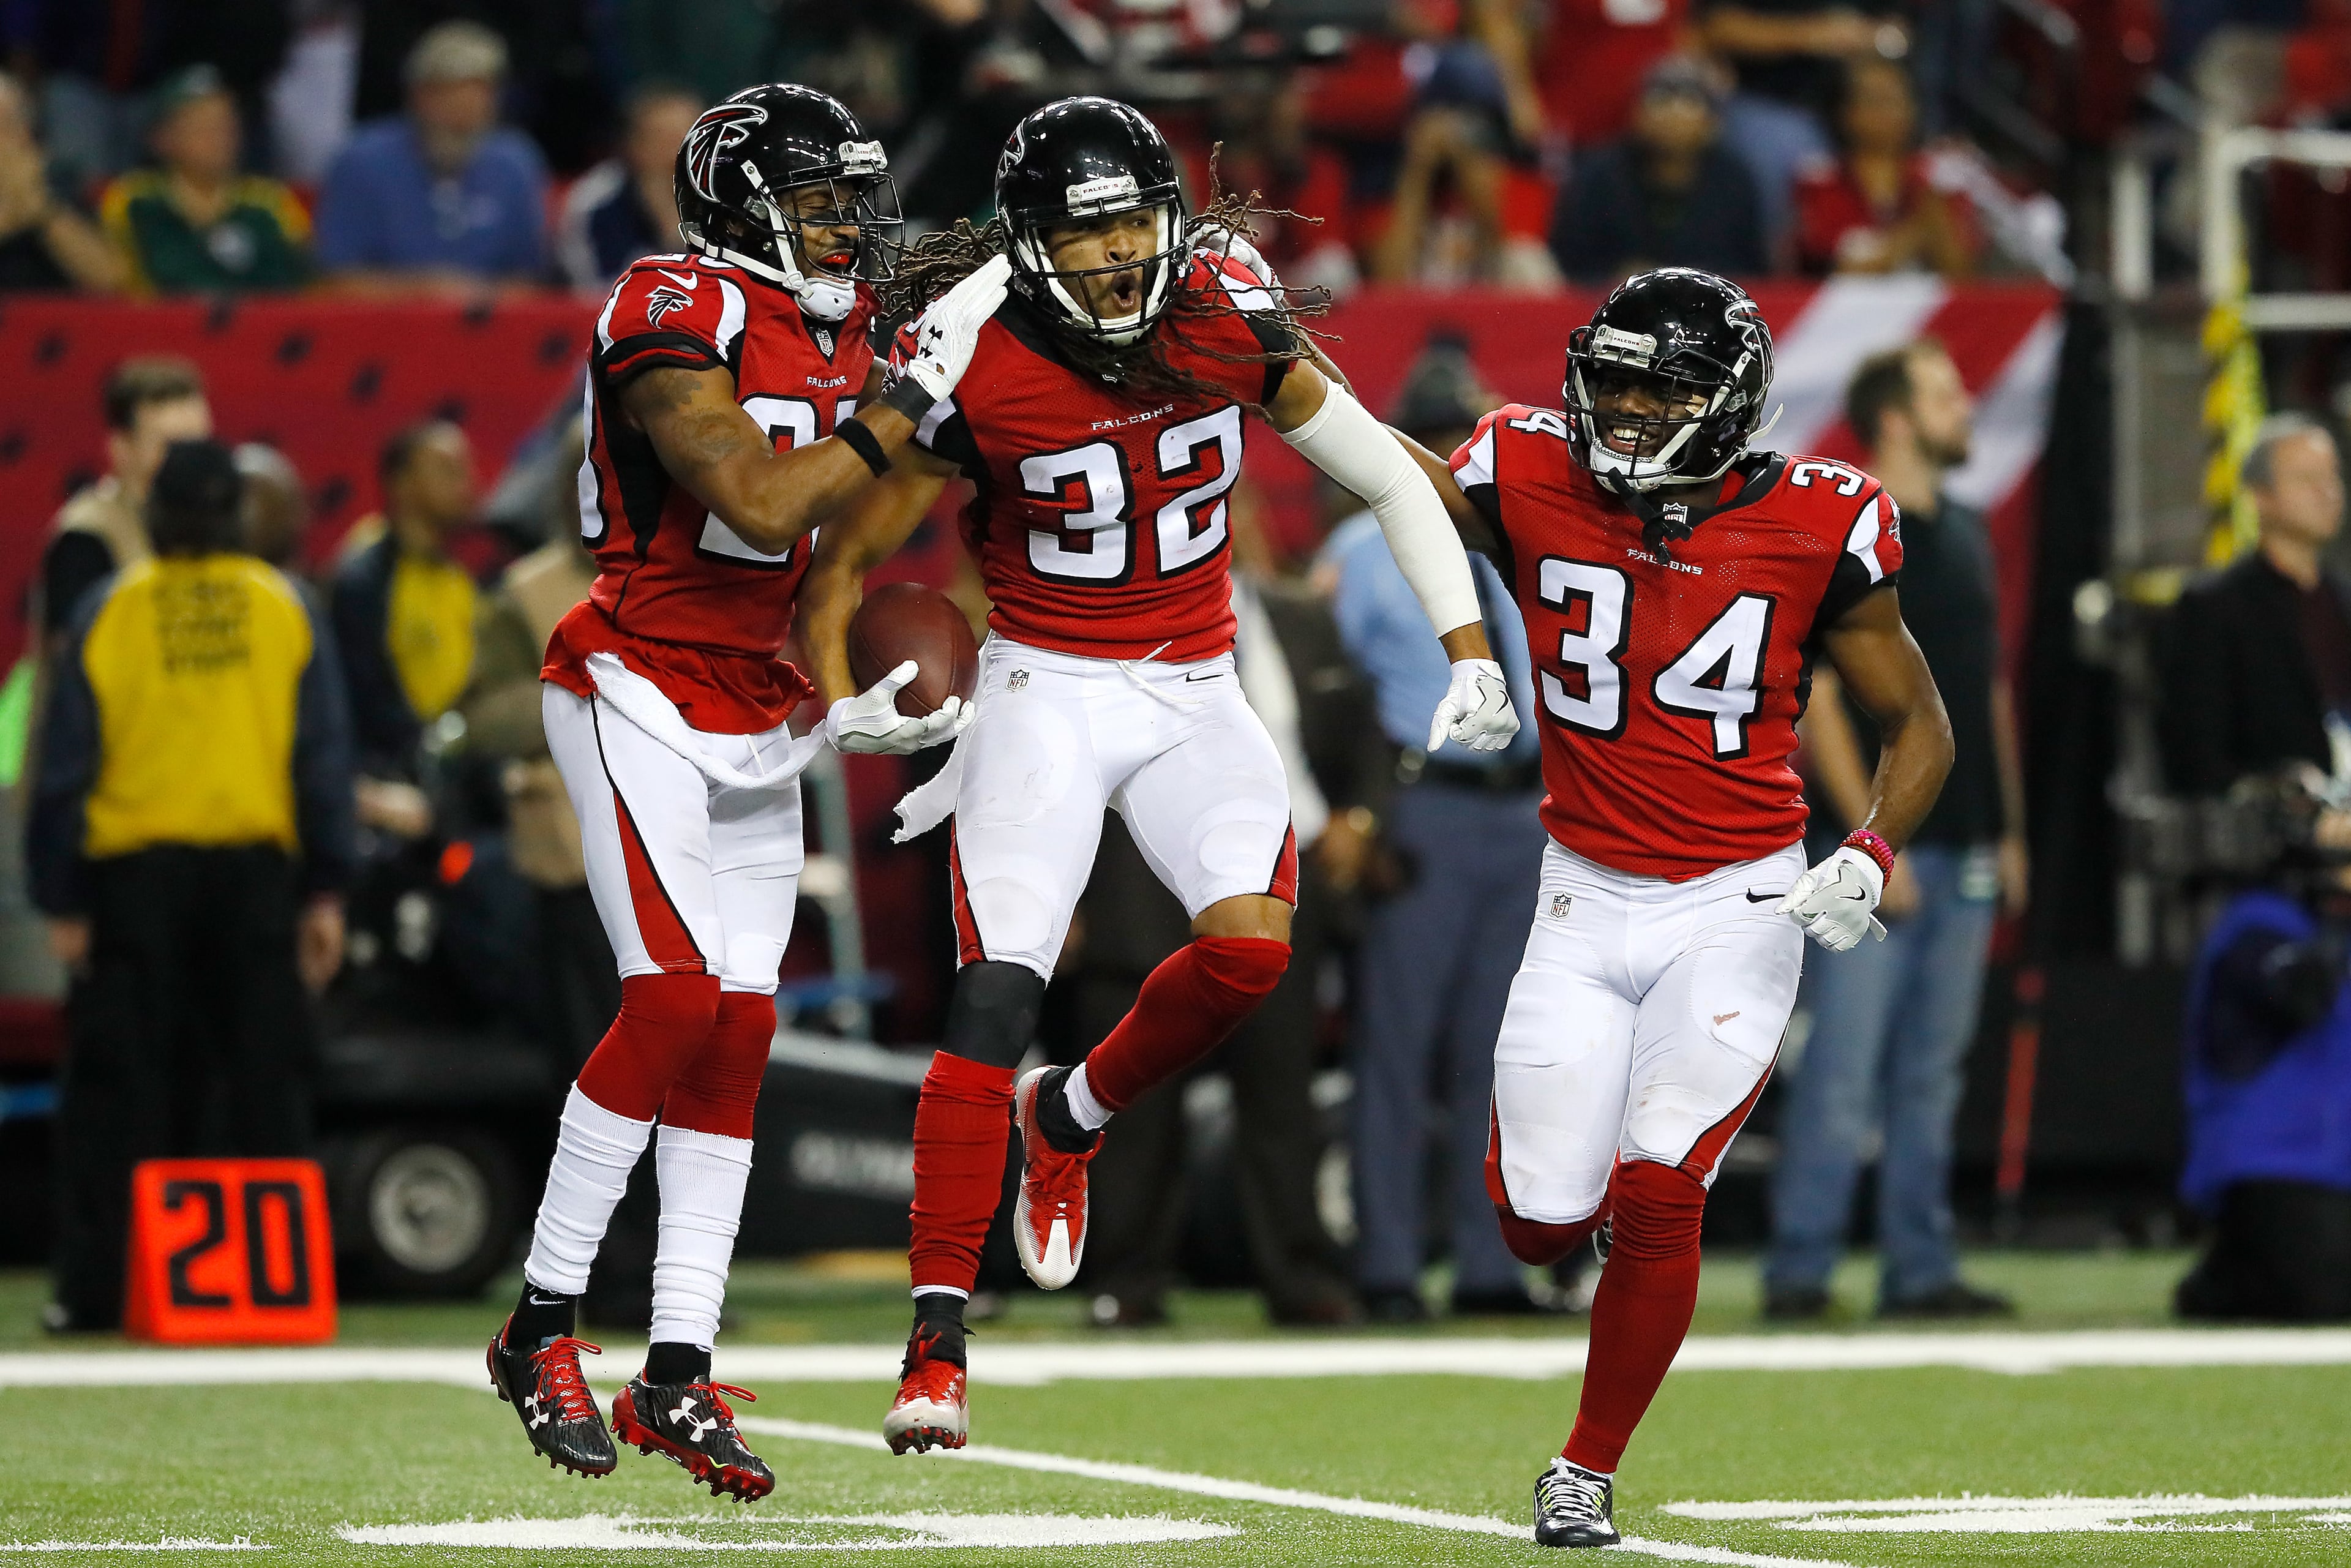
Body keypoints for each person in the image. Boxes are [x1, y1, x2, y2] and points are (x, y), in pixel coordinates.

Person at [795, 95, 1520, 1457]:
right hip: (1043, 687)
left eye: (1141, 220)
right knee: (994, 987)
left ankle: (1069, 1115)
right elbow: (838, 551)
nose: (1127, 253)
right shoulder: (966, 354)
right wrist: (848, 696)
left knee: (1250, 960)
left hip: (1196, 681)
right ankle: (936, 1345)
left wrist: (1467, 640)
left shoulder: (1226, 307)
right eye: (1095, 231)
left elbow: (1381, 469)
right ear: (1031, 245)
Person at [484, 83, 1006, 1496]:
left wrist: (886, 679)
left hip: (758, 696)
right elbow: (763, 504)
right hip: (632, 676)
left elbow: (850, 536)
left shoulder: (848, 329)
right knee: (666, 1000)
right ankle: (539, 1323)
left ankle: (676, 1368)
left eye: (855, 193)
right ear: (741, 201)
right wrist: (905, 396)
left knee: (737, 1030)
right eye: (822, 195)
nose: (849, 221)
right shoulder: (672, 304)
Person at [1401, 267, 1951, 1546]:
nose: (1631, 409)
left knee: (1661, 1187)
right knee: (1541, 1225)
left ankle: (1584, 1465)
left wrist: (1871, 846)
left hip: (1738, 899)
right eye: (1617, 378)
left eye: (1667, 387)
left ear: (1732, 402)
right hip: (1581, 896)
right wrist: (1277, 377)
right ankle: (1571, 1209)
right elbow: (1394, 487)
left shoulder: (1825, 519)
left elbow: (1918, 719)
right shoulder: (1523, 464)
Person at [27, 438, 354, 1333]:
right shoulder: (285, 608)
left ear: (159, 517)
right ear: (236, 515)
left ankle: (95, 1293)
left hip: (134, 882)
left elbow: (64, 767)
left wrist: (60, 897)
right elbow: (320, 764)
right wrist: (326, 890)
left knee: (116, 1091)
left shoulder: (109, 609)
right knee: (264, 1084)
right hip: (254, 880)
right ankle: (279, 1284)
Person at [1070, 498, 1378, 1329]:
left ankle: (1301, 1275)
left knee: (1280, 1095)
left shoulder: (1300, 618)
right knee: (1139, 1103)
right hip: (1142, 889)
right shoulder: (1110, 621)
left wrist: (1357, 814)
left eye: (1234, 499)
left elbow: (1357, 732)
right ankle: (1126, 1280)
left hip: (1277, 883)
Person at [1763, 340, 2024, 1321]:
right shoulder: (1860, 536)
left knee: (1932, 1070)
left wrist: (2010, 828)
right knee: (1845, 1064)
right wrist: (1874, 838)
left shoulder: (1962, 533)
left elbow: (1985, 691)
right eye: (1949, 391)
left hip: (1966, 845)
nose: (1966, 404)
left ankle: (1920, 1265)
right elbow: (1820, 700)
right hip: (1883, 851)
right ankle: (1801, 1267)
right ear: (1898, 418)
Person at [1322, 338, 1552, 1321]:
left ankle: (1490, 1267)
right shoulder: (1356, 556)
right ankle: (1387, 1262)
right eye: (1461, 433)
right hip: (1425, 804)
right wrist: (1357, 809)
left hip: (1531, 807)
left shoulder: (1529, 533)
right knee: (1398, 1044)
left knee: (1502, 1051)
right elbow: (1321, 693)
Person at [2162, 415, 2351, 797]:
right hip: (2279, 838)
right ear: (2259, 496)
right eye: (2306, 479)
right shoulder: (2214, 608)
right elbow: (2199, 760)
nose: (2327, 491)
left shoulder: (2342, 600)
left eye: (2332, 476)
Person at [313, 21, 549, 292]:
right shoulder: (361, 163)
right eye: (451, 96)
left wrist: (475, 300)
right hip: (382, 327)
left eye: (481, 96)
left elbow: (532, 283)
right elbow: (333, 281)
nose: (464, 113)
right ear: (418, 95)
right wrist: (423, 293)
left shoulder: (515, 164)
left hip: (488, 327)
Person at [329, 422, 481, 776]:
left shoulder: (460, 578)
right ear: (402, 484)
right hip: (396, 777)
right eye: (448, 470)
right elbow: (364, 699)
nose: (467, 483)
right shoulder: (363, 581)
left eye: (466, 469)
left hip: (455, 766)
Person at [39, 358, 211, 653]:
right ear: (121, 449)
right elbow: (74, 659)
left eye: (198, 446)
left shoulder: (226, 524)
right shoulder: (87, 536)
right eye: (170, 446)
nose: (189, 465)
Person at [1548, 56, 1768, 286]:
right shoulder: (1598, 176)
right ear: (1636, 115)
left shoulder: (1734, 181)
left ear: (1713, 123)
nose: (1672, 114)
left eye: (1689, 101)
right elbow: (1570, 264)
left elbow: (1753, 270)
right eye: (1660, 99)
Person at [100, 66, 312, 296]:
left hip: (260, 328)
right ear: (162, 139)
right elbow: (115, 281)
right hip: (160, 328)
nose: (218, 139)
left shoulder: (270, 201)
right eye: (201, 127)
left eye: (226, 126)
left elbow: (311, 278)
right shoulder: (135, 198)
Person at [1791, 57, 1975, 277]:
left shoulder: (1939, 178)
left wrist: (1938, 223)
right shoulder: (1821, 179)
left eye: (1897, 100)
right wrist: (1918, 229)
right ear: (1846, 111)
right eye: (1875, 100)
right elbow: (1844, 270)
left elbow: (1964, 277)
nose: (1888, 112)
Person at [556, 83, 705, 291]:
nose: (677, 154)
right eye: (663, 140)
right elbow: (595, 291)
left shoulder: (730, 195)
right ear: (634, 145)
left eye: (690, 139)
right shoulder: (598, 201)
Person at [0, 71, 126, 294]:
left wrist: (43, 211)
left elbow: (110, 279)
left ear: (26, 136)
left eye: (6, 126)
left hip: (50, 321)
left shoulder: (62, 180)